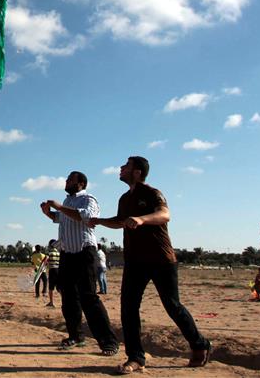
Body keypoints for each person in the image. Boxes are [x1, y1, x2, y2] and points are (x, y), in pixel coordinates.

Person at [91, 156, 211, 374]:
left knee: (172, 306)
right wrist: (99, 222)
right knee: (128, 308)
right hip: (135, 261)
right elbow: (120, 221)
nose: (121, 168)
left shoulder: (153, 193)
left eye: (126, 166)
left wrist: (141, 219)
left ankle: (199, 344)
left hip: (161, 260)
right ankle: (136, 357)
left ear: (137, 172)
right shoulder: (124, 198)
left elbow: (165, 215)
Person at [40, 171, 119, 356]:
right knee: (68, 297)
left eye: (70, 180)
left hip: (84, 252)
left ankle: (108, 341)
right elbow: (61, 219)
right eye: (66, 179)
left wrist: (58, 206)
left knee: (88, 297)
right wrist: (49, 213)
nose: (66, 182)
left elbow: (84, 217)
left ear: (81, 183)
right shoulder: (67, 202)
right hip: (67, 253)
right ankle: (75, 336)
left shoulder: (89, 199)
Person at [46, 239, 61, 307]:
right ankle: (64, 302)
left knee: (51, 288)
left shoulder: (50, 253)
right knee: (59, 288)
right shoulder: (59, 253)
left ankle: (51, 302)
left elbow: (47, 263)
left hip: (52, 270)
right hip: (58, 271)